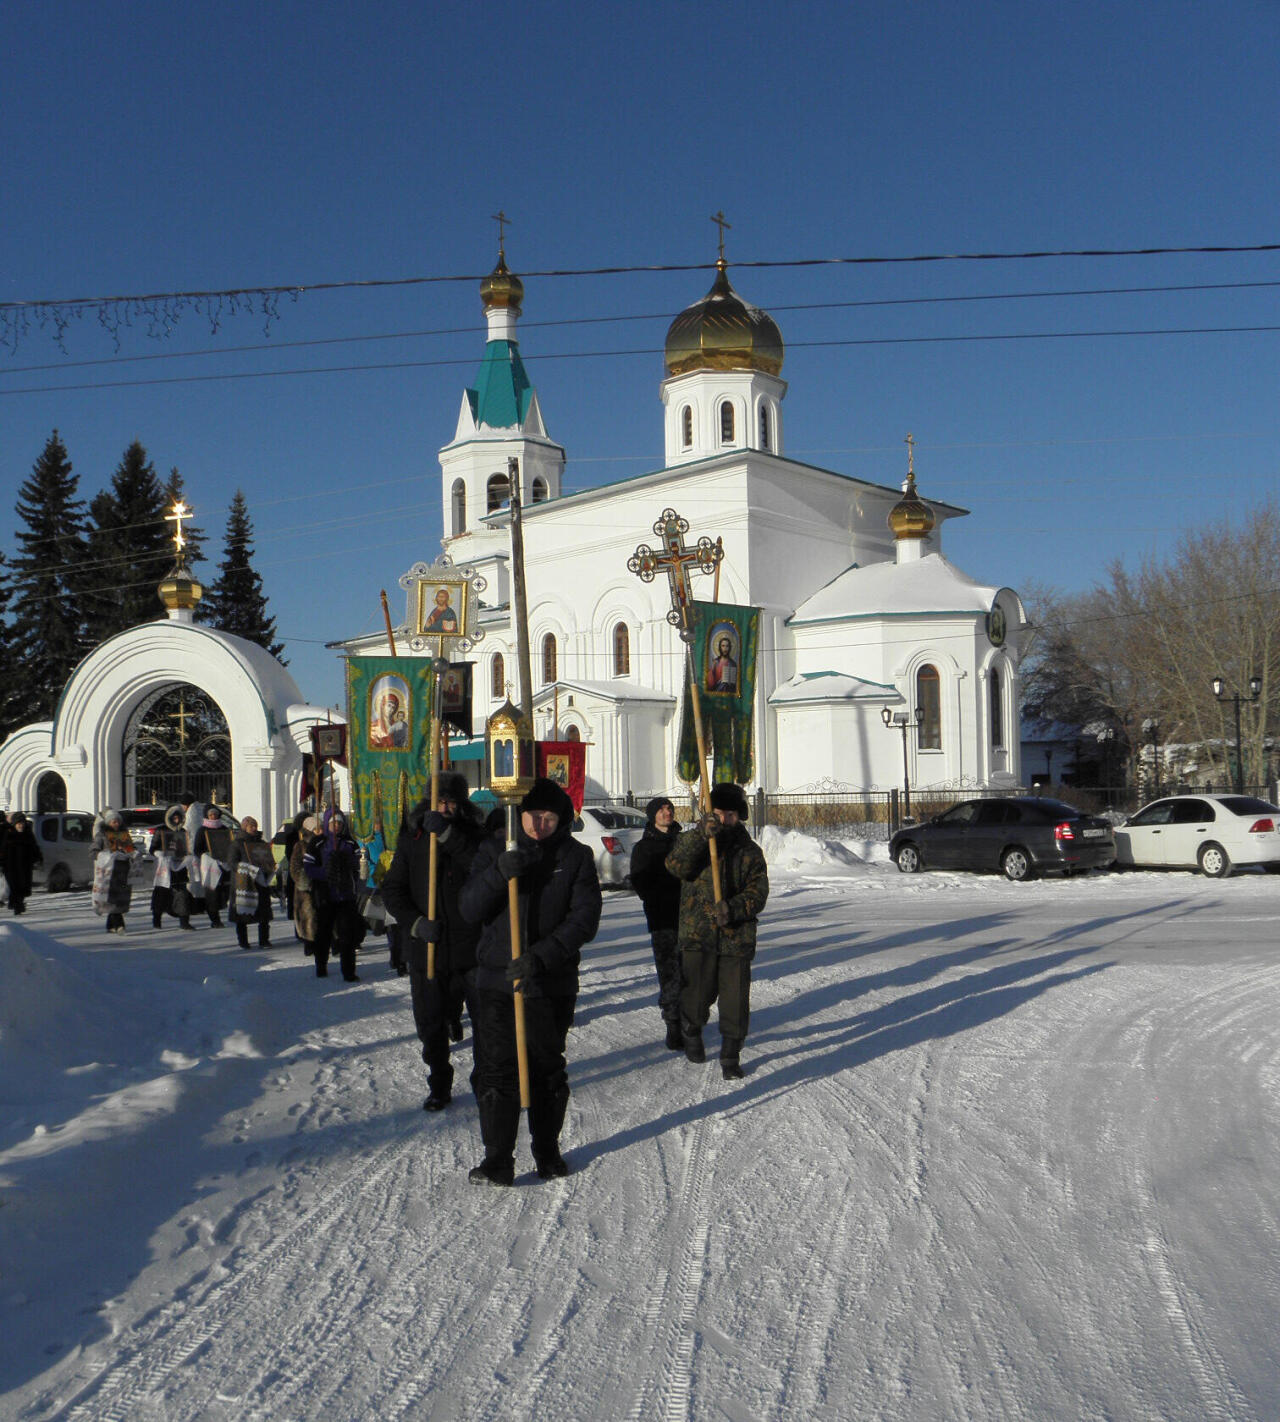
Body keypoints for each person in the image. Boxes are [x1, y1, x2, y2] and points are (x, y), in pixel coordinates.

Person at [459, 777, 602, 1185]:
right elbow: (469, 909)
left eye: (549, 817)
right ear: (518, 815)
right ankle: (498, 1160)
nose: (539, 825)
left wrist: (540, 958)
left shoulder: (575, 857)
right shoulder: (494, 850)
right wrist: (498, 875)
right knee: (496, 1071)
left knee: (546, 1068)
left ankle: (547, 1151)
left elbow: (584, 920)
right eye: (533, 816)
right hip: (497, 981)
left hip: (549, 982)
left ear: (562, 820)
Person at [383, 773, 485, 1111]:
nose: (445, 808)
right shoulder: (412, 839)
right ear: (428, 803)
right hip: (427, 949)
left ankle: (484, 1081)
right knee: (430, 1022)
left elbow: (483, 870)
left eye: (451, 802)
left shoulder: (473, 836)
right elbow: (393, 891)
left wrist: (447, 835)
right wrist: (414, 925)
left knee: (485, 1022)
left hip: (471, 949)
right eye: (439, 802)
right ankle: (439, 1082)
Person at [667, 782, 769, 1081]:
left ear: (740, 817)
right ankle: (692, 1029)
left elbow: (758, 892)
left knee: (735, 1000)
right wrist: (701, 836)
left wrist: (733, 909)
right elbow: (675, 866)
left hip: (736, 937)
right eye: (720, 813)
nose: (725, 820)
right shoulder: (694, 841)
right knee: (696, 996)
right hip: (698, 935)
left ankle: (730, 1054)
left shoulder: (749, 851)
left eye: (732, 814)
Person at [628, 797, 686, 1051]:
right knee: (669, 972)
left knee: (693, 972)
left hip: (690, 917)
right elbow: (640, 882)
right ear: (652, 816)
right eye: (661, 809)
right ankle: (673, 1022)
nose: (667, 812)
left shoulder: (684, 842)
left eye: (669, 808)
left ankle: (691, 1018)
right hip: (662, 918)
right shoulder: (644, 848)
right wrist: (659, 897)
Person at [302, 808, 365, 981]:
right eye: (332, 823)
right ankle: (321, 964)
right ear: (326, 823)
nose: (336, 826)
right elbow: (308, 867)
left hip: (346, 896)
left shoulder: (350, 843)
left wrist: (346, 864)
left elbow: (358, 865)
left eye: (339, 823)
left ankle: (349, 971)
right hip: (325, 895)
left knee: (347, 935)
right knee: (324, 932)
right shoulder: (317, 843)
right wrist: (325, 872)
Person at [228, 815, 276, 949]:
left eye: (255, 825)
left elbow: (267, 858)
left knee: (263, 913)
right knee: (242, 914)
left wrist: (269, 866)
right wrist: (246, 868)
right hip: (243, 883)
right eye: (251, 826)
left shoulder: (261, 843)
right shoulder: (237, 843)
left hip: (260, 881)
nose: (254, 828)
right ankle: (243, 941)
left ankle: (264, 940)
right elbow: (232, 863)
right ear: (244, 828)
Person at [148, 804, 194, 930]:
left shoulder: (183, 832)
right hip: (164, 868)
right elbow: (153, 848)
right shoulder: (161, 830)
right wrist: (159, 853)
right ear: (169, 818)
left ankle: (184, 921)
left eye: (178, 818)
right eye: (174, 818)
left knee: (182, 893)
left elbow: (187, 847)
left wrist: (188, 855)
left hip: (180, 867)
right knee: (161, 893)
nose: (176, 820)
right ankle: (156, 919)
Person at [91, 808, 136, 934]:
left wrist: (133, 852)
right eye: (113, 822)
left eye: (117, 821)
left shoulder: (124, 834)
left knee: (121, 898)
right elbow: (94, 851)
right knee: (113, 898)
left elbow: (131, 847)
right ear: (108, 822)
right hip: (109, 872)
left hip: (123, 870)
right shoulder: (102, 834)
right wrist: (103, 855)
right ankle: (120, 925)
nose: (116, 824)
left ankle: (110, 925)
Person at [192, 805, 232, 927]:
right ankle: (215, 919)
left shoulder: (224, 829)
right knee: (212, 893)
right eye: (211, 815)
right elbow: (197, 849)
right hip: (210, 865)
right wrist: (206, 855)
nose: (213, 816)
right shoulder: (202, 830)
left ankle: (220, 908)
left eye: (215, 814)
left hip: (224, 864)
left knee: (225, 891)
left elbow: (230, 844)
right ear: (207, 816)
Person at [290, 815, 321, 956]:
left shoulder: (324, 844)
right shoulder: (301, 846)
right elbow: (295, 867)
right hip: (306, 889)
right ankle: (309, 944)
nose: (319, 831)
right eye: (316, 828)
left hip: (322, 885)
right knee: (309, 916)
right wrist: (304, 880)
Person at [2, 813, 42, 915]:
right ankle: (17, 906)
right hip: (10, 866)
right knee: (14, 886)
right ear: (15, 824)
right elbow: (2, 849)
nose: (21, 826)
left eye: (22, 823)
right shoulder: (8, 834)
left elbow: (34, 847)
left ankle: (16, 903)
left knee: (24, 887)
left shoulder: (28, 834)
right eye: (19, 824)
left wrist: (38, 858)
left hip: (25, 866)